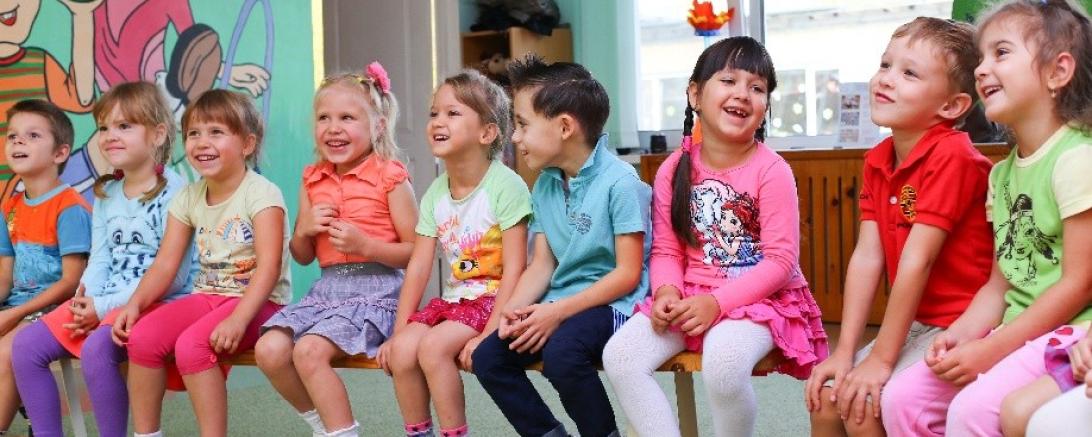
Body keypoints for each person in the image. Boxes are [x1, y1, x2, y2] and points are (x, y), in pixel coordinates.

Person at [881, 1, 1092, 435]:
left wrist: (993, 348)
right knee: (902, 400)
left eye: (1001, 53)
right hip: (1013, 327)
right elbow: (1000, 284)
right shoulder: (1002, 174)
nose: (981, 69)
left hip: (1070, 331)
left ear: (1058, 72)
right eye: (981, 58)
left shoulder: (1075, 159)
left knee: (972, 412)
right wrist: (961, 336)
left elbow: (1078, 284)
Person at [603, 36, 826, 437]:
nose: (743, 94)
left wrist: (717, 303)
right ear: (695, 94)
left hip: (760, 301)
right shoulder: (674, 169)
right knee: (620, 356)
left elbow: (780, 262)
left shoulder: (772, 170)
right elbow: (669, 248)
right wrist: (668, 292)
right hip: (691, 294)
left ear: (765, 108)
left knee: (724, 361)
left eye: (757, 88)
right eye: (728, 80)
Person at [804, 18, 993, 437]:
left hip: (961, 324)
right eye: (886, 65)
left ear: (952, 106)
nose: (886, 79)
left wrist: (882, 360)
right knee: (828, 399)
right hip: (918, 321)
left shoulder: (953, 157)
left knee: (863, 406)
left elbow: (917, 262)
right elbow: (867, 256)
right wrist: (846, 352)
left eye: (908, 73)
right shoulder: (878, 158)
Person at [470, 55, 651, 437]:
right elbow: (541, 266)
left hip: (615, 305)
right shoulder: (545, 184)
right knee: (489, 357)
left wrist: (556, 312)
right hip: (560, 304)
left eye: (521, 124)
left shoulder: (621, 184)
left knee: (562, 355)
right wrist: (514, 313)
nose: (514, 137)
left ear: (565, 126)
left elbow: (628, 273)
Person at [11, 82, 196, 437]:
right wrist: (86, 301)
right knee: (26, 346)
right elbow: (100, 256)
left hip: (157, 301)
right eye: (104, 127)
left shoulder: (178, 193)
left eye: (124, 126)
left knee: (98, 348)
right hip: (104, 299)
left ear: (158, 134)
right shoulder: (107, 191)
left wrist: (104, 305)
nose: (110, 136)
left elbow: (172, 276)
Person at [111, 89, 291, 437]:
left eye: (216, 132)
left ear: (247, 144)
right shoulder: (189, 195)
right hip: (209, 296)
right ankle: (147, 434)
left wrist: (239, 319)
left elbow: (269, 268)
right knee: (143, 337)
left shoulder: (262, 193)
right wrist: (135, 305)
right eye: (194, 133)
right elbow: (165, 264)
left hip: (261, 303)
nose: (201, 142)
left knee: (192, 345)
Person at [255, 62, 417, 437]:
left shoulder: (390, 176)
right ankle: (321, 424)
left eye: (347, 117)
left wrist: (367, 246)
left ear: (377, 125)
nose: (334, 128)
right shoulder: (312, 178)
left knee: (308, 351)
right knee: (269, 351)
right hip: (325, 293)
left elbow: (416, 251)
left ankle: (343, 432)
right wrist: (304, 230)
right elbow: (302, 255)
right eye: (324, 118)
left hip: (377, 292)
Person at [378, 68, 530, 437]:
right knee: (402, 352)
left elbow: (517, 268)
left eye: (453, 113)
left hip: (494, 302)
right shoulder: (435, 193)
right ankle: (418, 432)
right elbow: (418, 267)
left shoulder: (505, 185)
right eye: (434, 113)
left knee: (431, 349)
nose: (437, 121)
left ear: (487, 132)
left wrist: (490, 334)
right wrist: (399, 332)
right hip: (456, 303)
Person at [0, 99, 92, 434]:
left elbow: (71, 283)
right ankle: (27, 409)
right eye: (12, 135)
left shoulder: (70, 209)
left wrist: (12, 315)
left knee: (7, 351)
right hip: (21, 307)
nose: (18, 141)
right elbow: (4, 275)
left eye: (32, 135)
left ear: (60, 153)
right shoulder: (9, 207)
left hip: (58, 309)